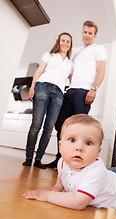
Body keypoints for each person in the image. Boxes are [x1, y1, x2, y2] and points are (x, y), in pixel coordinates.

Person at [23, 114, 116, 211]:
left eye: (88, 143)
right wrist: (58, 187)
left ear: (98, 152)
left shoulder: (96, 171)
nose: (79, 147)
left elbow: (78, 203)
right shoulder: (62, 161)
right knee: (109, 175)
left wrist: (48, 195)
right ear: (60, 146)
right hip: (110, 175)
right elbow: (62, 176)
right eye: (72, 140)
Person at [42, 20, 107, 169]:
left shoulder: (99, 49)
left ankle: (79, 163)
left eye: (90, 33)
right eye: (85, 32)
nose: (87, 35)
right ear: (82, 32)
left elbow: (101, 71)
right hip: (69, 92)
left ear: (95, 35)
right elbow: (69, 74)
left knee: (81, 128)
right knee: (61, 125)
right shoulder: (77, 55)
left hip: (84, 92)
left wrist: (94, 89)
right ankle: (61, 161)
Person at [22, 32, 73, 169]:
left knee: (49, 128)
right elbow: (39, 71)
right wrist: (32, 87)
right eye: (63, 40)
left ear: (70, 45)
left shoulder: (70, 63)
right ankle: (28, 158)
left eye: (68, 41)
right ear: (59, 42)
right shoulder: (49, 55)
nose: (65, 43)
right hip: (43, 88)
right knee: (36, 124)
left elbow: (72, 80)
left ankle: (38, 159)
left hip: (58, 94)